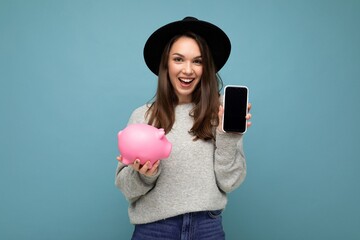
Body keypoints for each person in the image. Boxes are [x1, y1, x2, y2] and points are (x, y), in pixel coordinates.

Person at [115, 16, 252, 240]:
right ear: (166, 63)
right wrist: (144, 176)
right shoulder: (143, 116)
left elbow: (230, 182)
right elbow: (126, 189)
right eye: (178, 59)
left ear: (206, 67)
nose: (188, 70)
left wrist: (227, 138)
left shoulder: (221, 114)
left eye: (197, 61)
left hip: (207, 228)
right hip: (155, 229)